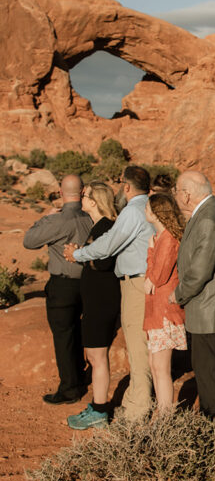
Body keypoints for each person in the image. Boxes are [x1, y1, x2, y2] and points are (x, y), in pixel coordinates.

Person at [66, 166, 155, 421]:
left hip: (135, 283)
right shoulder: (145, 207)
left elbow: (109, 245)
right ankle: (133, 401)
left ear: (126, 187)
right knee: (139, 345)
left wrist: (78, 254)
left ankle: (138, 410)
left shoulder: (132, 211)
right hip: (137, 282)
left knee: (138, 347)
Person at [173, 171, 215, 417]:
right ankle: (214, 424)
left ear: (187, 194)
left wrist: (178, 295)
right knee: (208, 370)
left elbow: (199, 271)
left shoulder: (208, 218)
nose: (176, 195)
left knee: (209, 372)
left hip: (208, 311)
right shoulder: (213, 212)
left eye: (177, 190)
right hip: (209, 309)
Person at [24, 174, 92, 404]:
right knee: (78, 331)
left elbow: (29, 241)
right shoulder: (91, 218)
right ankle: (80, 377)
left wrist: (44, 218)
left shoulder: (58, 220)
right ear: (82, 192)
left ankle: (70, 388)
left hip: (62, 285)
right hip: (87, 284)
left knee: (64, 335)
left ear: (61, 193)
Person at [67, 182, 120, 430]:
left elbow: (104, 263)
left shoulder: (106, 227)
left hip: (101, 301)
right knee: (95, 355)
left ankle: (99, 410)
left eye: (85, 195)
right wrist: (83, 252)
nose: (81, 197)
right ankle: (97, 406)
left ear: (94, 200)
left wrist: (80, 254)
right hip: (97, 300)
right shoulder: (100, 227)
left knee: (98, 357)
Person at [143, 192, 187, 412]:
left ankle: (165, 417)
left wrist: (150, 252)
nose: (145, 211)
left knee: (161, 367)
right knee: (155, 365)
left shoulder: (167, 239)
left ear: (156, 212)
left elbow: (158, 277)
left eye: (148, 208)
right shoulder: (162, 237)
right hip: (157, 310)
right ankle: (163, 414)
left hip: (164, 312)